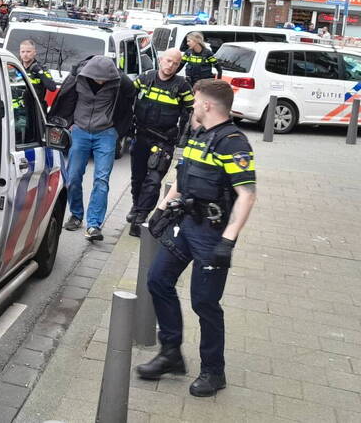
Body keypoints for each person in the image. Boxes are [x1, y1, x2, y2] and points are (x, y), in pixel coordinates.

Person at [136, 79, 257, 398]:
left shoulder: (234, 143)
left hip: (212, 234)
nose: (192, 107)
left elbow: (247, 194)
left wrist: (228, 240)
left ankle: (214, 372)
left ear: (207, 105)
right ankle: (171, 353)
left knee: (205, 303)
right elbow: (182, 175)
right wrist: (160, 209)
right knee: (158, 279)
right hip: (186, 225)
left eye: (195, 102)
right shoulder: (197, 134)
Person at [49, 55, 137, 241]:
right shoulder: (77, 77)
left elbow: (130, 101)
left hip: (105, 134)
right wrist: (67, 123)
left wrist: (117, 132)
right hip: (80, 131)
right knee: (73, 176)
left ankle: (94, 225)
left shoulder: (120, 82)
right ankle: (76, 215)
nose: (101, 81)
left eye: (105, 79)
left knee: (101, 180)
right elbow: (65, 99)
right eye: (98, 78)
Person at [128, 48, 194, 236]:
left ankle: (140, 217)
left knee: (153, 181)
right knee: (138, 178)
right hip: (140, 136)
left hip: (164, 141)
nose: (170, 66)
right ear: (161, 60)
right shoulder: (145, 79)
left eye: (175, 63)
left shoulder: (182, 86)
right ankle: (136, 207)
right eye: (168, 61)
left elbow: (193, 112)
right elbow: (126, 97)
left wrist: (188, 138)